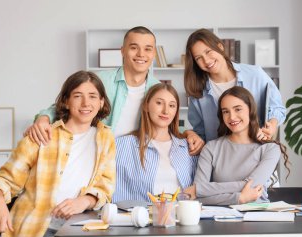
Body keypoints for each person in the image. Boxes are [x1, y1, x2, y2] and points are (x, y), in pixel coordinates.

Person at [0, 71, 116, 237]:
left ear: (101, 103)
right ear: (66, 101)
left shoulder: (106, 137)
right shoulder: (41, 135)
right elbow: (3, 180)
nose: (85, 103)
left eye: (92, 96)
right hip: (35, 232)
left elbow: (105, 186)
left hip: (80, 228)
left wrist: (85, 200)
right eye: (77, 96)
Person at [26, 26, 204, 155]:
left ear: (153, 55)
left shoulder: (158, 89)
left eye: (148, 49)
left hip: (135, 161)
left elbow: (168, 124)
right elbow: (63, 106)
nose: (141, 54)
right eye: (134, 47)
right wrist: (43, 119)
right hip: (94, 155)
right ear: (123, 51)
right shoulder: (100, 81)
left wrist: (188, 133)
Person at [185, 86, 290, 237]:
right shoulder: (211, 148)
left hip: (261, 223)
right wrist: (239, 198)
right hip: (222, 223)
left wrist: (202, 189)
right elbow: (199, 199)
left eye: (238, 109)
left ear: (250, 110)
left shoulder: (269, 149)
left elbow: (252, 188)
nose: (232, 117)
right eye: (225, 111)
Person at [112, 83, 215, 237]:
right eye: (159, 103)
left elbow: (201, 188)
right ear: (146, 106)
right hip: (140, 225)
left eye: (172, 105)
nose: (166, 111)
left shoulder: (188, 147)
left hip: (183, 223)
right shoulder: (123, 145)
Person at [184, 28, 286, 143]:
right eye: (198, 58)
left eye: (208, 52)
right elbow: (200, 133)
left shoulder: (255, 74)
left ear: (220, 47)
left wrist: (272, 124)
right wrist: (190, 134)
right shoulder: (198, 92)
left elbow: (277, 108)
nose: (206, 60)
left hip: (256, 152)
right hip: (218, 158)